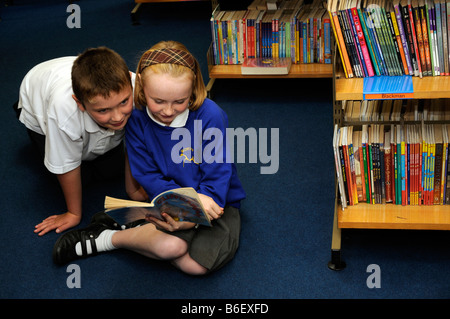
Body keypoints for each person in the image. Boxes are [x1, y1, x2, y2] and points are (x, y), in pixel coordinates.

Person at [52, 41, 246, 275]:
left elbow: (218, 171)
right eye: (158, 101)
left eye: (179, 101)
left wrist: (198, 208)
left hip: (215, 201)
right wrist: (182, 207)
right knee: (172, 247)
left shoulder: (211, 115)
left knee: (196, 267)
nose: (167, 111)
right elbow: (147, 174)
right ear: (141, 89)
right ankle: (109, 238)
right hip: (171, 199)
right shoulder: (135, 119)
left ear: (193, 89)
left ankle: (135, 222)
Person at [16, 47, 138, 236]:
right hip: (37, 97)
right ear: (79, 103)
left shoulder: (137, 87)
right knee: (77, 178)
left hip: (73, 79)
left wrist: (133, 189)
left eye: (124, 102)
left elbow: (136, 139)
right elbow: (66, 166)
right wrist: (73, 213)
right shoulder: (63, 111)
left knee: (112, 171)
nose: (117, 117)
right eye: (103, 110)